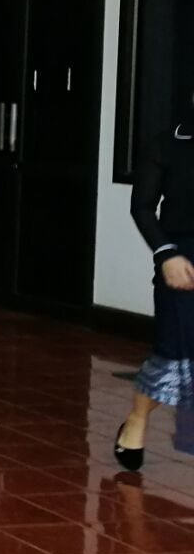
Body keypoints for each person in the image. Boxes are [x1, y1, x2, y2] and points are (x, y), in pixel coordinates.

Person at [115, 91, 194, 470]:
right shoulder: (168, 143)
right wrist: (166, 254)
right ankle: (137, 417)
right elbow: (143, 206)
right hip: (182, 261)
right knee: (174, 357)